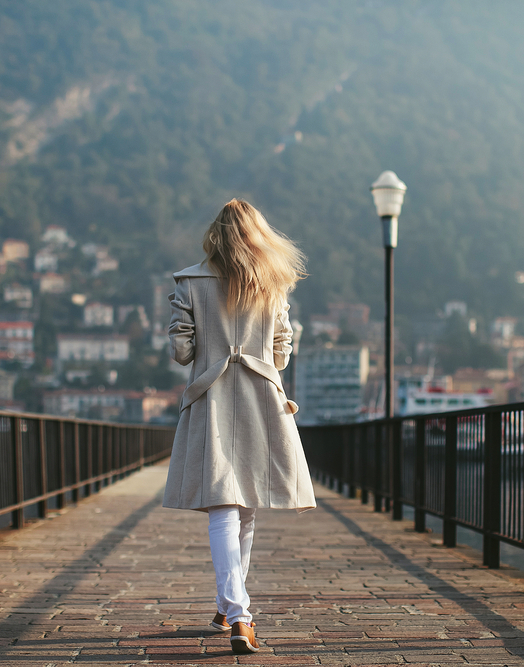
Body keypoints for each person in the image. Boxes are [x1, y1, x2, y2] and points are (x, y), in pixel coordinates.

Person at [163, 199, 315, 654]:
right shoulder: (273, 283)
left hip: (212, 396)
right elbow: (283, 353)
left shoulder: (189, 283)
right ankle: (235, 611)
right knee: (244, 507)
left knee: (225, 506)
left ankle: (236, 611)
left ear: (215, 234)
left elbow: (182, 353)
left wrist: (198, 335)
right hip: (260, 397)